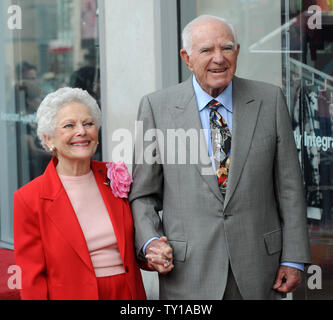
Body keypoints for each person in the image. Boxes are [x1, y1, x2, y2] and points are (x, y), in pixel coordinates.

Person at [129, 15, 311, 300]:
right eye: (206, 50)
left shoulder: (270, 100)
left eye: (226, 48)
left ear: (237, 52)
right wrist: (151, 241)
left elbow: (289, 188)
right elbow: (143, 193)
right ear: (186, 58)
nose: (219, 58)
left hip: (260, 269)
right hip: (187, 272)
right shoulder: (156, 107)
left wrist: (293, 257)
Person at [13, 87, 147, 300]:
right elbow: (31, 279)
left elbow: (137, 243)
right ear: (49, 139)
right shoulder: (29, 198)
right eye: (69, 125)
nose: (82, 132)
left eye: (88, 123)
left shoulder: (116, 176)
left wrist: (155, 249)